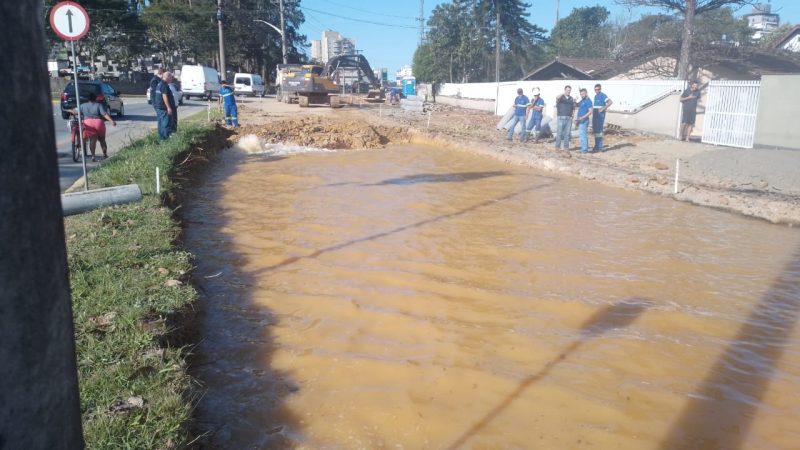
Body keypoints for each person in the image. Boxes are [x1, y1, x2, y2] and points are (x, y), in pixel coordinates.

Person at [72, 92, 116, 162]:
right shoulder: (99, 105)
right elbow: (104, 114)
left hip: (88, 123)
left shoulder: (83, 105)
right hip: (98, 122)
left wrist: (69, 110)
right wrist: (111, 121)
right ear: (95, 98)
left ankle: (93, 156)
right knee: (102, 140)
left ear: (88, 99)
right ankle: (105, 155)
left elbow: (75, 112)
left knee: (92, 140)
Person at [154, 71, 176, 139]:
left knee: (161, 124)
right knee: (166, 124)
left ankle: (161, 139)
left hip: (159, 108)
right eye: (171, 77)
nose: (171, 79)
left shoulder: (159, 84)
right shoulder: (164, 85)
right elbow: (164, 96)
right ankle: (165, 140)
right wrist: (168, 107)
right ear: (167, 77)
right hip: (164, 109)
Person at [592, 83, 613, 152]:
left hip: (600, 115)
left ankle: (600, 147)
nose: (596, 91)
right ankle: (596, 145)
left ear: (600, 89)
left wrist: (603, 108)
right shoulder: (595, 96)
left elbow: (610, 102)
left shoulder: (603, 95)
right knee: (595, 131)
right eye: (595, 90)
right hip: (595, 114)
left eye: (598, 89)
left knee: (599, 131)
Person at [554, 85, 575, 150]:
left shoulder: (571, 98)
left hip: (569, 118)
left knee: (567, 134)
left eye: (569, 90)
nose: (568, 91)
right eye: (567, 90)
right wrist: (563, 93)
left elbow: (573, 108)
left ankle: (566, 147)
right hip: (561, 117)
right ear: (565, 90)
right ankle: (557, 147)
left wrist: (572, 116)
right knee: (559, 133)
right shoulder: (561, 97)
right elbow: (557, 97)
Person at [575, 88, 593, 154]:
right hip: (580, 120)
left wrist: (583, 117)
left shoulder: (588, 101)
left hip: (584, 120)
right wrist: (575, 100)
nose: (582, 95)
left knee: (583, 135)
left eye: (583, 94)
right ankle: (583, 149)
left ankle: (584, 150)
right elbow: (577, 105)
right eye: (581, 94)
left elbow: (590, 111)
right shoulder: (582, 100)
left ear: (586, 93)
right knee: (581, 135)